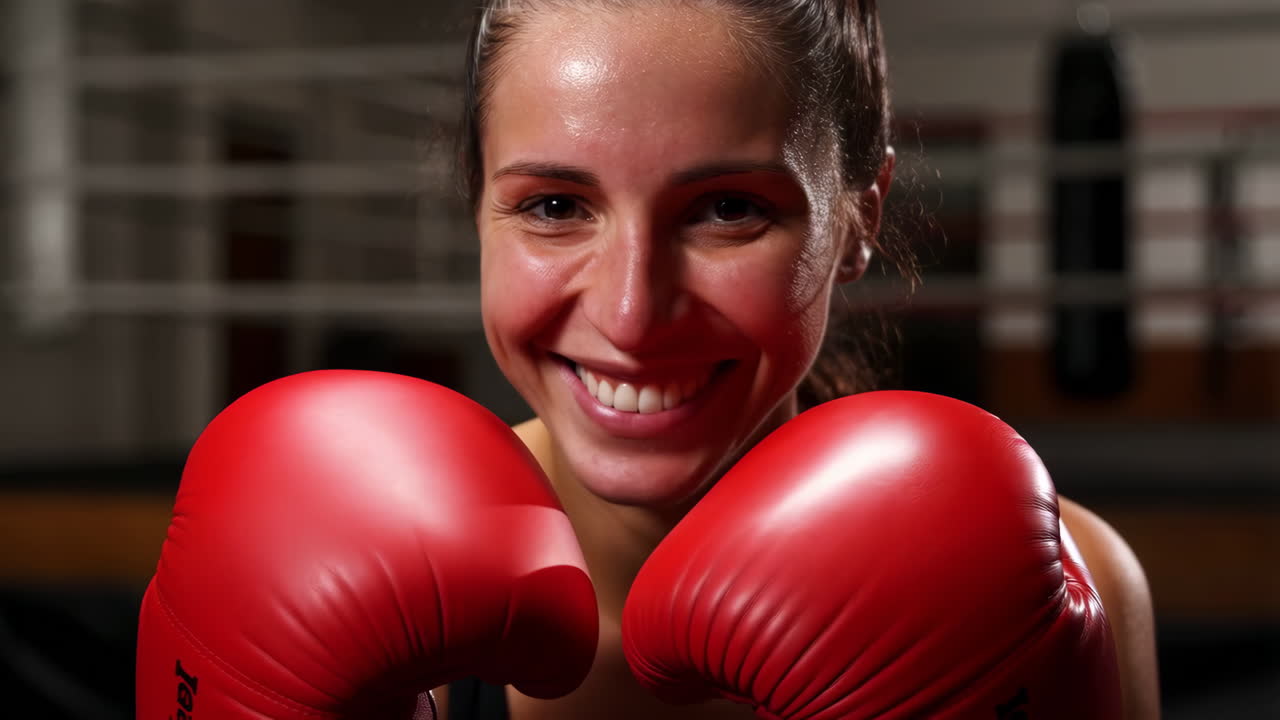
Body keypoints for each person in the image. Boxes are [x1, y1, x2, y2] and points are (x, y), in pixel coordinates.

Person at [134, 1, 1159, 718]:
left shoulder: (1070, 590)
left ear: (857, 217)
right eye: (553, 206)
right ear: (474, 204)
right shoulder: (337, 592)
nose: (630, 312)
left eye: (725, 210)